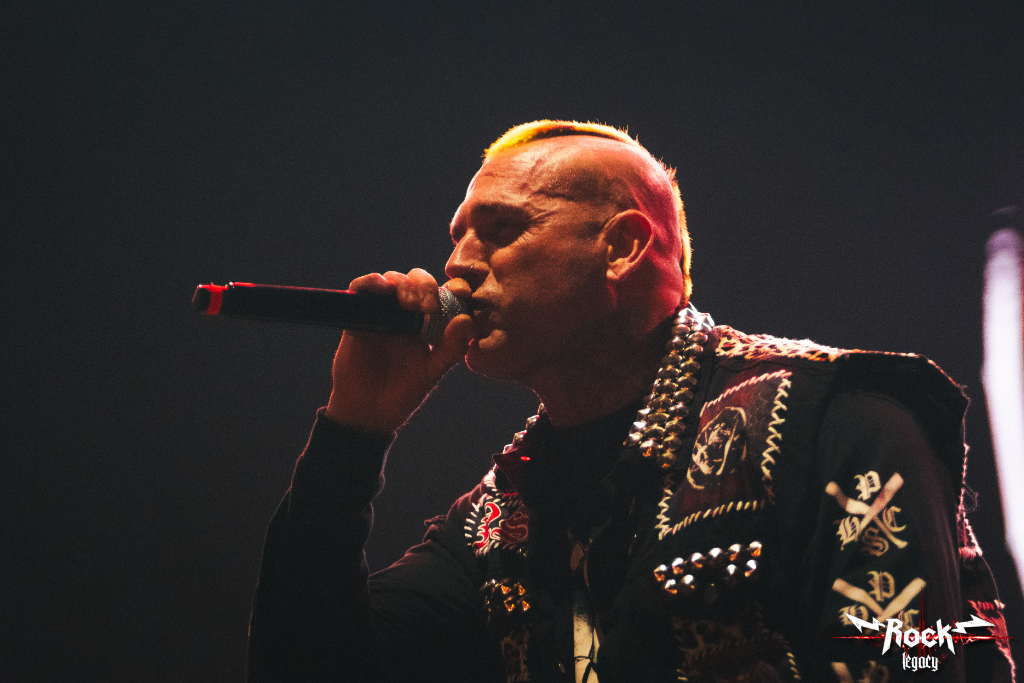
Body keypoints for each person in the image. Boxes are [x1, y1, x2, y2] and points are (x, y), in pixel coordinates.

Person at [246, 121, 1014, 682]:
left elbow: (922, 657)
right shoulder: (498, 527)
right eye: (458, 236)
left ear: (621, 247)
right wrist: (354, 429)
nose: (457, 263)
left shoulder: (838, 420)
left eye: (502, 229)